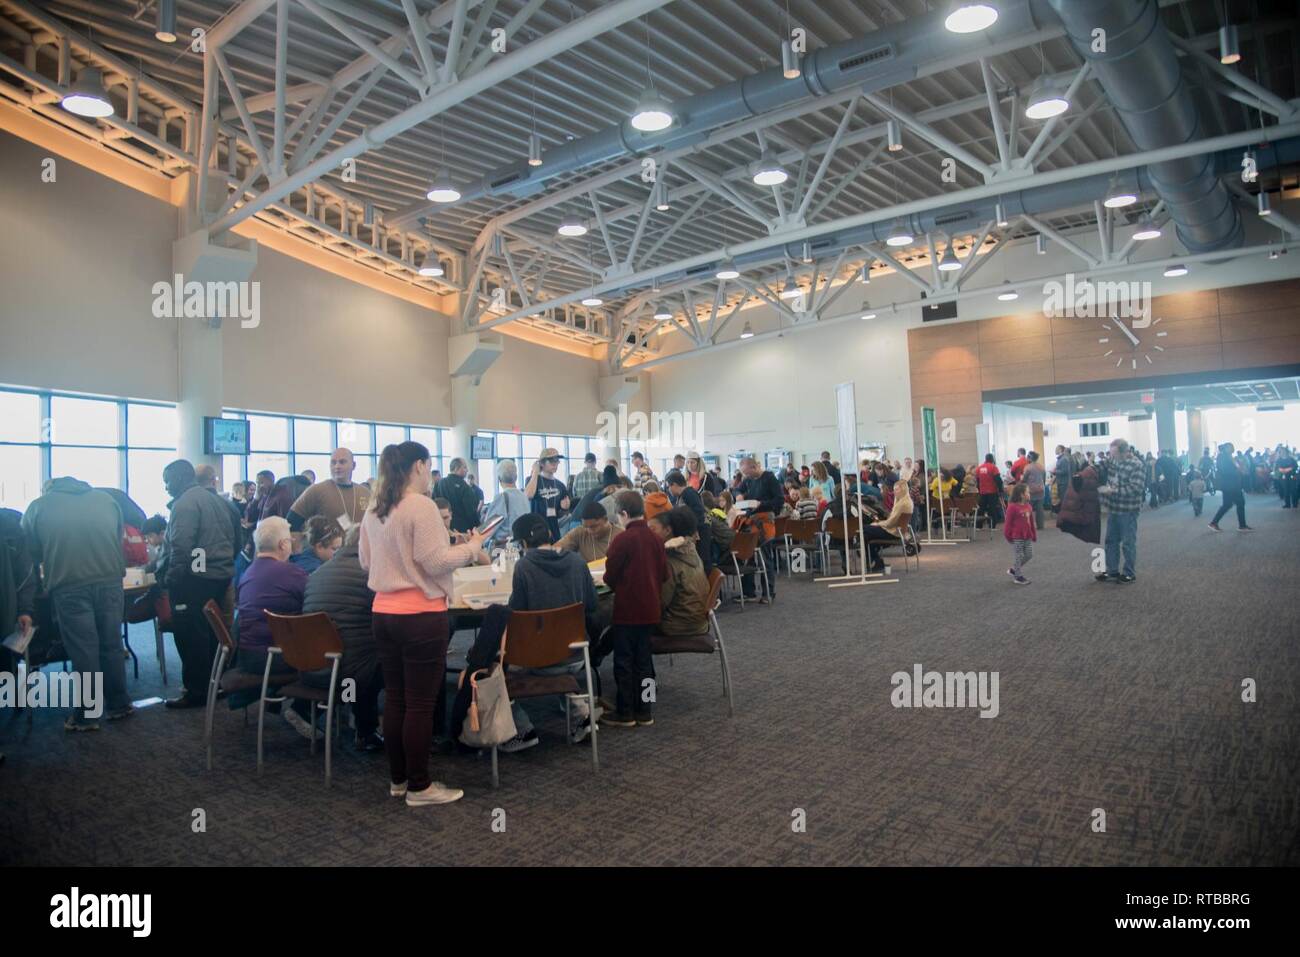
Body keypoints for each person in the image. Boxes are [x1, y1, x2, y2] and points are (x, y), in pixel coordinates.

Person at [359, 441, 486, 807]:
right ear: (418, 466)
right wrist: (472, 547)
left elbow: (366, 562)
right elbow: (434, 562)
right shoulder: (421, 506)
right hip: (420, 615)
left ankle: (399, 780)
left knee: (396, 699)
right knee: (419, 703)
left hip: (383, 613)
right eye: (428, 467)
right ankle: (420, 786)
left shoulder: (375, 508)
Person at [21, 478, 131, 730]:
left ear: (49, 489)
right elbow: (117, 537)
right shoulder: (107, 500)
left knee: (84, 649)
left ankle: (88, 714)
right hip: (111, 580)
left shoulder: (38, 507)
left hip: (70, 585)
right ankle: (119, 704)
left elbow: (31, 551)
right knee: (112, 644)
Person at [503, 513, 603, 749]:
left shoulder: (524, 566)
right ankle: (581, 713)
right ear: (550, 535)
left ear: (523, 544)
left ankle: (521, 730)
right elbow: (592, 605)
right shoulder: (578, 562)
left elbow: (517, 616)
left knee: (492, 666)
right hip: (577, 654)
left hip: (538, 659)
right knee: (555, 643)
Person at [159, 459, 238, 710]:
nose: (166, 487)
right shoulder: (218, 501)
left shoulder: (185, 504)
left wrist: (172, 578)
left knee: (190, 636)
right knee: (210, 634)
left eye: (167, 481)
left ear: (181, 478)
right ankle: (215, 684)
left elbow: (182, 547)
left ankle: (196, 691)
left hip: (194, 580)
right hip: (220, 575)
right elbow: (235, 540)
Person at [234, 516, 318, 738]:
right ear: (283, 545)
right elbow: (317, 605)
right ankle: (302, 711)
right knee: (337, 658)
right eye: (289, 540)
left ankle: (278, 701)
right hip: (276, 658)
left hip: (246, 655)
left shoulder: (247, 574)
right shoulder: (292, 573)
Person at [303, 524, 383, 752]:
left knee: (359, 649)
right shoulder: (370, 575)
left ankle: (361, 726)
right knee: (407, 658)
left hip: (312, 667)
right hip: (350, 674)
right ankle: (423, 735)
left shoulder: (316, 574)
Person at [600, 490, 668, 728]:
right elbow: (665, 574)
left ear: (624, 514)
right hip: (651, 610)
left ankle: (626, 711)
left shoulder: (622, 540)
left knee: (624, 663)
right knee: (645, 662)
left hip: (628, 611)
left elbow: (610, 578)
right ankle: (646, 709)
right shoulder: (656, 539)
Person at [649, 507, 710, 637]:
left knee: (627, 624)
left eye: (653, 529)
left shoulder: (670, 560)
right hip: (697, 620)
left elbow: (660, 603)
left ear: (668, 530)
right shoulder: (690, 549)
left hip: (678, 625)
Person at [734, 456, 783, 602]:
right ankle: (749, 592)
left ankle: (768, 593)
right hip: (750, 522)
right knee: (747, 556)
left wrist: (761, 504)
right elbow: (737, 489)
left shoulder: (770, 478)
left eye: (747, 473)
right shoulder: (748, 479)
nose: (746, 477)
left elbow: (779, 500)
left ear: (754, 467)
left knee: (765, 559)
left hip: (765, 522)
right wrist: (739, 495)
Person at [286, 449, 369, 534]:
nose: (337, 466)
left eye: (342, 462)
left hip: (360, 546)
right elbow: (291, 522)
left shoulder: (366, 493)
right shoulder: (317, 490)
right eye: (333, 462)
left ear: (353, 465)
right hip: (328, 546)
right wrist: (300, 545)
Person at [1096, 438, 1144, 583]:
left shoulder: (1137, 465)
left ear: (1124, 453)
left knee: (1128, 542)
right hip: (1114, 509)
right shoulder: (1113, 460)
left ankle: (1129, 573)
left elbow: (1136, 488)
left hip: (1128, 510)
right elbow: (1101, 465)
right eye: (1111, 454)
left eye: (1114, 454)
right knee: (1110, 541)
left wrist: (1112, 491)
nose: (1112, 457)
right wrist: (1088, 471)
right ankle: (1112, 571)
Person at [663, 469, 712, 573]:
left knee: (703, 561)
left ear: (675, 484)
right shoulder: (684, 495)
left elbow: (699, 513)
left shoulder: (689, 494)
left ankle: (709, 587)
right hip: (697, 532)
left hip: (701, 532)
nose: (668, 490)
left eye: (668, 486)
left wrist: (691, 531)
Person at [860, 479, 913, 573]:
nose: (894, 492)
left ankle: (874, 560)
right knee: (866, 536)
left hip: (893, 532)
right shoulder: (907, 501)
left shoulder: (902, 504)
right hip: (898, 531)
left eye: (897, 490)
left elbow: (890, 523)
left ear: (903, 490)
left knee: (864, 530)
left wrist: (878, 523)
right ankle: (874, 560)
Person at [482, 459, 531, 548]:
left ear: (499, 478)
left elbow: (488, 528)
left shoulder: (502, 498)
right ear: (516, 477)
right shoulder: (524, 496)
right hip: (522, 546)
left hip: (506, 549)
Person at [526, 447, 570, 543]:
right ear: (542, 463)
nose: (555, 464)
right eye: (551, 461)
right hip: (536, 532)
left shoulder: (560, 485)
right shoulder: (533, 480)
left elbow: (560, 515)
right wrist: (535, 472)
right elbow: (528, 495)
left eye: (557, 460)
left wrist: (564, 509)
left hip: (554, 531)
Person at [556, 499, 622, 561]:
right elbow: (555, 550)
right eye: (586, 526)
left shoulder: (621, 535)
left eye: (594, 526)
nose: (589, 531)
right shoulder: (580, 532)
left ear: (605, 519)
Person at [1208, 442, 1252, 532]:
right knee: (1240, 503)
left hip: (1230, 485)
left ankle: (1214, 523)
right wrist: (1237, 471)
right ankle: (1242, 525)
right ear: (1226, 448)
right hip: (1231, 485)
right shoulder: (1223, 457)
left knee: (1227, 505)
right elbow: (1225, 471)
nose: (1233, 449)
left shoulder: (1228, 457)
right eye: (1231, 447)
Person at [432, 457, 480, 534]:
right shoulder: (465, 487)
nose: (467, 470)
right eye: (464, 467)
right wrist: (477, 527)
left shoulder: (439, 484)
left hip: (443, 528)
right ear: (456, 468)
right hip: (462, 530)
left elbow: (434, 504)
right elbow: (471, 511)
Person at [1003, 483, 1036, 585]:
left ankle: (1014, 569)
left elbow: (1031, 521)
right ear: (1021, 494)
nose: (1029, 494)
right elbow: (1007, 524)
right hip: (1017, 536)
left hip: (1027, 535)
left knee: (1029, 555)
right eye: (1027, 492)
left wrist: (1033, 534)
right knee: (1019, 556)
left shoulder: (1028, 506)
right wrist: (1008, 536)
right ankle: (1018, 576)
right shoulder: (1012, 507)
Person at [974, 454, 1002, 529]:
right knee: (992, 509)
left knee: (981, 509)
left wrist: (980, 489)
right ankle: (992, 526)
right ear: (992, 459)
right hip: (992, 491)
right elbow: (998, 479)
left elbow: (977, 480)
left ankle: (978, 526)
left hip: (982, 492)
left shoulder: (979, 468)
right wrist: (1000, 489)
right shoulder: (993, 467)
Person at [1022, 452, 1047, 530]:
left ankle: (1028, 526)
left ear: (1029, 458)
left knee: (1028, 509)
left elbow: (1024, 479)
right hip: (1040, 490)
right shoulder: (1041, 467)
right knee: (1040, 509)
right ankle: (1040, 525)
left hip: (1031, 491)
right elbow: (1044, 479)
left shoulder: (1027, 467)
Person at [1051, 445, 1072, 514]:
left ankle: (1065, 515)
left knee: (1064, 499)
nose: (1055, 450)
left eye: (1056, 449)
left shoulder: (1063, 459)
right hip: (1061, 482)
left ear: (1060, 450)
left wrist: (1055, 471)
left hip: (1064, 483)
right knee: (1062, 499)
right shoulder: (1060, 459)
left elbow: (1065, 471)